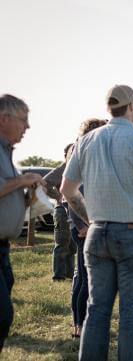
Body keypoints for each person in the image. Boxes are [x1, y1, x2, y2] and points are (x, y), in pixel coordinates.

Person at [61, 84, 133, 361]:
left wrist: (90, 217)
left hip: (97, 233)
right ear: (132, 106)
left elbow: (67, 190)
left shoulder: (85, 141)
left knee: (97, 310)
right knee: (131, 315)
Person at [0, 94, 43, 352]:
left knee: (4, 316)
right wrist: (23, 180)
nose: (27, 127)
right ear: (4, 118)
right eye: (23, 120)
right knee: (2, 316)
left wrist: (29, 196)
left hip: (4, 249)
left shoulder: (7, 154)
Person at [68, 119, 107, 339]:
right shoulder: (82, 152)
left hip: (89, 224)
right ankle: (80, 327)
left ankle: (79, 325)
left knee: (82, 278)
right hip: (85, 226)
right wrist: (82, 223)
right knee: (85, 279)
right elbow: (72, 193)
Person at [44, 144, 77, 281]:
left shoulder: (76, 167)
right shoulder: (63, 167)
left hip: (74, 210)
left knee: (72, 246)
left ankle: (69, 274)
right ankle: (58, 276)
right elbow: (45, 182)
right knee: (62, 244)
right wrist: (58, 196)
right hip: (62, 210)